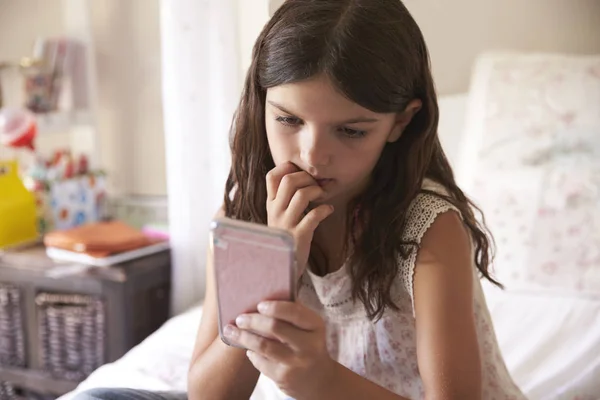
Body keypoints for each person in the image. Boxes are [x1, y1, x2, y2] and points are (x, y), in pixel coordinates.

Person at [75, 0, 527, 399]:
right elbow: (209, 395)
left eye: (351, 130)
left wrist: (320, 381)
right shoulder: (244, 216)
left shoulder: (429, 229)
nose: (312, 155)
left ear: (401, 123)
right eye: (289, 119)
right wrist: (273, 270)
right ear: (262, 102)